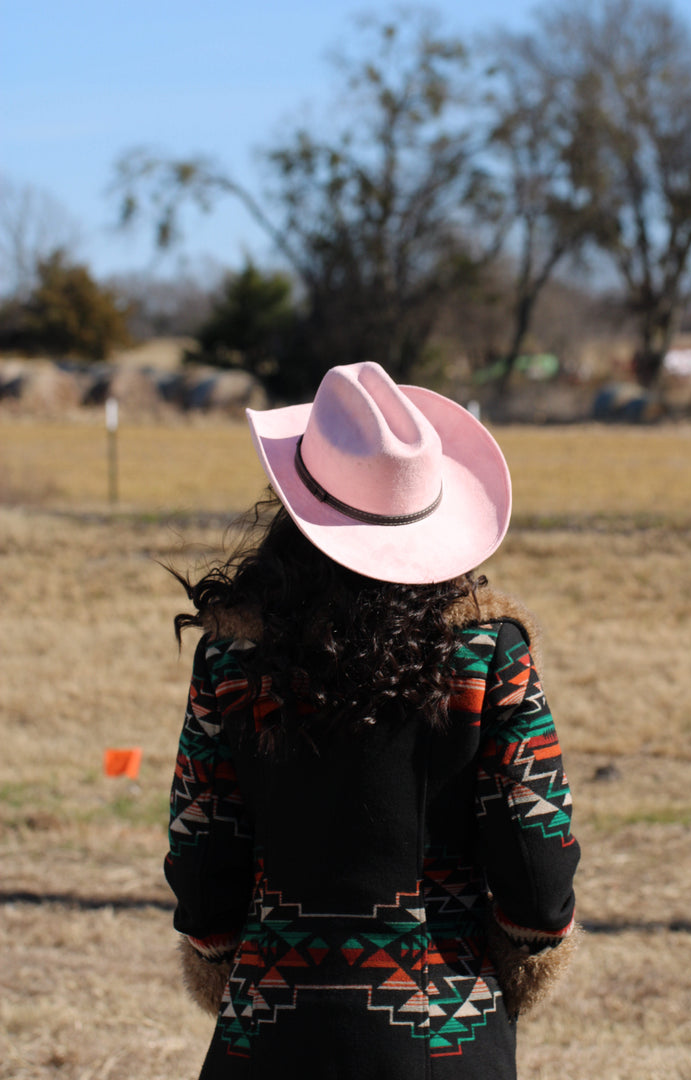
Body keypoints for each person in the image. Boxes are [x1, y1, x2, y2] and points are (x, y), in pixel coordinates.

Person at [164, 361, 580, 1080]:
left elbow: (203, 871)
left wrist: (231, 965)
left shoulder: (231, 660)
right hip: (450, 1039)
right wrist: (520, 960)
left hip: (267, 1041)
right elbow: (536, 876)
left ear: (293, 500)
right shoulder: (489, 655)